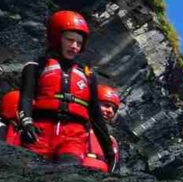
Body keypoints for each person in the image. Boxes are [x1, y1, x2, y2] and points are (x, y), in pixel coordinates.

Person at [16, 10, 115, 169]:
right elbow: (25, 99)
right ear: (57, 38)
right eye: (70, 40)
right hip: (40, 132)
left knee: (67, 172)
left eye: (79, 43)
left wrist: (109, 151)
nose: (74, 46)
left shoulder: (87, 76)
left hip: (73, 137)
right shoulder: (35, 67)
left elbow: (96, 115)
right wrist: (26, 123)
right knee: (30, 174)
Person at [81, 84, 122, 173]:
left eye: (114, 109)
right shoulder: (76, 127)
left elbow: (114, 170)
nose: (110, 111)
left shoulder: (112, 142)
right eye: (106, 105)